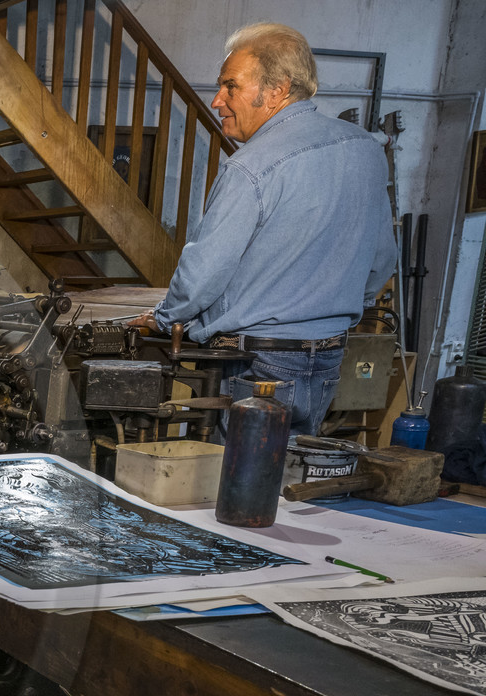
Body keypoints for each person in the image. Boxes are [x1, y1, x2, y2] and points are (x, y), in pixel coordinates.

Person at [131, 23, 397, 436]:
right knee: (285, 482)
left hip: (259, 366)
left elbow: (206, 269)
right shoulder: (365, 149)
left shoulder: (251, 166)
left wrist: (165, 320)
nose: (217, 101)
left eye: (230, 87)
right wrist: (334, 306)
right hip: (327, 357)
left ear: (277, 90)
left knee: (232, 485)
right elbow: (381, 260)